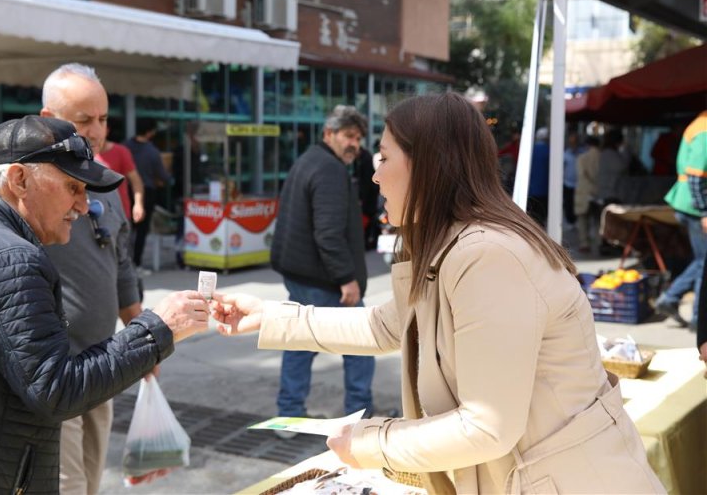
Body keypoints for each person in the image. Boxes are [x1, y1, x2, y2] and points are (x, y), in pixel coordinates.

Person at [211, 92, 664, 494]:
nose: (375, 177)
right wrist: (267, 317)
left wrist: (374, 441)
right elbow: (386, 325)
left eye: (384, 159)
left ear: (426, 166)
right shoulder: (454, 243)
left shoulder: (487, 255)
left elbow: (487, 427)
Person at [0, 115, 209, 493]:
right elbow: (56, 390)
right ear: (19, 180)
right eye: (72, 188)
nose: (83, 206)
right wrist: (157, 329)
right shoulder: (12, 259)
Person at [38, 62, 144, 494]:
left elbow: (120, 261)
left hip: (102, 367)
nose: (96, 132)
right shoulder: (32, 186)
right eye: (83, 121)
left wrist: (141, 336)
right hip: (55, 373)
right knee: (67, 487)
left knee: (91, 482)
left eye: (102, 119)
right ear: (49, 120)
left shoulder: (106, 182)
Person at [269, 104, 374, 429]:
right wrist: (347, 279)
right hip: (323, 278)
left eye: (358, 138)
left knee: (300, 346)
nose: (354, 144)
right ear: (329, 134)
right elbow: (328, 233)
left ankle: (288, 415)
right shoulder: (328, 169)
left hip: (303, 273)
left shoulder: (309, 160)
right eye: (348, 136)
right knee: (361, 344)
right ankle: (359, 417)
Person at [654, 110, 707, 331]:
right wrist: (704, 211)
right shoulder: (704, 129)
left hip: (689, 204)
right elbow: (696, 177)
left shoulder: (700, 124)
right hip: (695, 207)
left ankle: (673, 299)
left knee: (702, 260)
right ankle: (696, 316)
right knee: (704, 262)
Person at [126, 118, 170, 268]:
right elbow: (163, 176)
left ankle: (125, 261)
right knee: (141, 230)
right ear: (150, 132)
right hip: (147, 193)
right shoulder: (152, 152)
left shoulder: (125, 147)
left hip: (126, 190)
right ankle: (136, 263)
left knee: (126, 228)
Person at [97, 126, 145, 224]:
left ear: (107, 130)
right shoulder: (83, 153)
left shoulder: (121, 151)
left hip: (119, 213)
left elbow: (136, 181)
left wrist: (138, 204)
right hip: (93, 214)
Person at [574, 135, 601, 253]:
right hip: (599, 191)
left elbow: (580, 174)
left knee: (583, 219)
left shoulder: (582, 158)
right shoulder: (603, 157)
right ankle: (600, 242)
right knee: (599, 220)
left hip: (584, 192)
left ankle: (584, 243)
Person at [526, 127, 549, 226]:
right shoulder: (549, 151)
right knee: (542, 216)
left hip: (532, 189)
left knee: (534, 216)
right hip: (545, 189)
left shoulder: (530, 150)